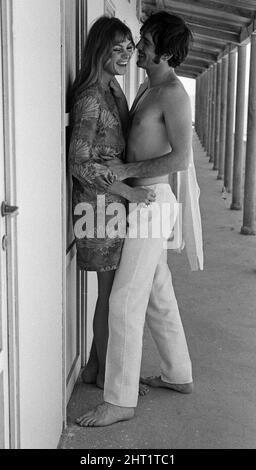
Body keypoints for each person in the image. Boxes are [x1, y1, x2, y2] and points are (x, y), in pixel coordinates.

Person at [76, 11, 204, 427]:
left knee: (124, 300)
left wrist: (125, 172)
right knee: (157, 292)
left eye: (145, 43)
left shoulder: (172, 95)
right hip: (143, 202)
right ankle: (178, 372)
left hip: (152, 201)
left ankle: (120, 399)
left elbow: (181, 158)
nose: (138, 49)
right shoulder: (149, 88)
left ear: (164, 52)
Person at [69, 16, 156, 390]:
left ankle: (92, 367)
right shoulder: (91, 97)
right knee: (109, 295)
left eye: (129, 48)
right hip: (97, 210)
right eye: (116, 48)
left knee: (110, 293)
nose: (125, 55)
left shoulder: (112, 90)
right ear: (99, 50)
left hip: (109, 208)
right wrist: (130, 192)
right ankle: (107, 375)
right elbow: (79, 162)